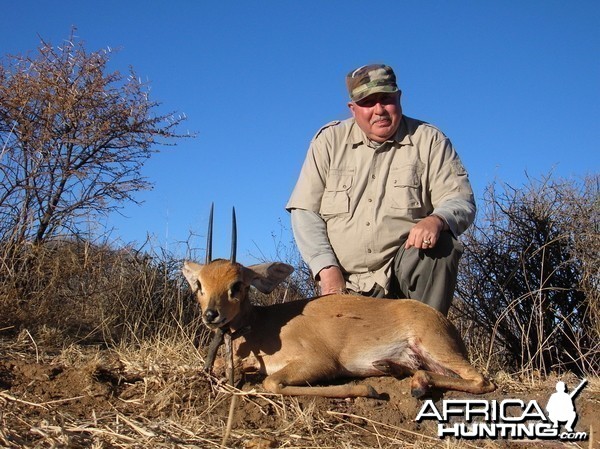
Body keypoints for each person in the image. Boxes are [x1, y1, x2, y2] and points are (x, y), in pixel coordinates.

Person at [286, 63, 476, 315]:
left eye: (386, 99)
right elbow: (305, 210)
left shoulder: (429, 140)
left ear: (399, 98)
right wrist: (326, 269)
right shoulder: (328, 141)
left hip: (403, 275)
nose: (379, 110)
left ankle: (424, 337)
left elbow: (460, 199)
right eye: (367, 102)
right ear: (353, 109)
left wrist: (437, 219)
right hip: (345, 283)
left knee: (442, 244)